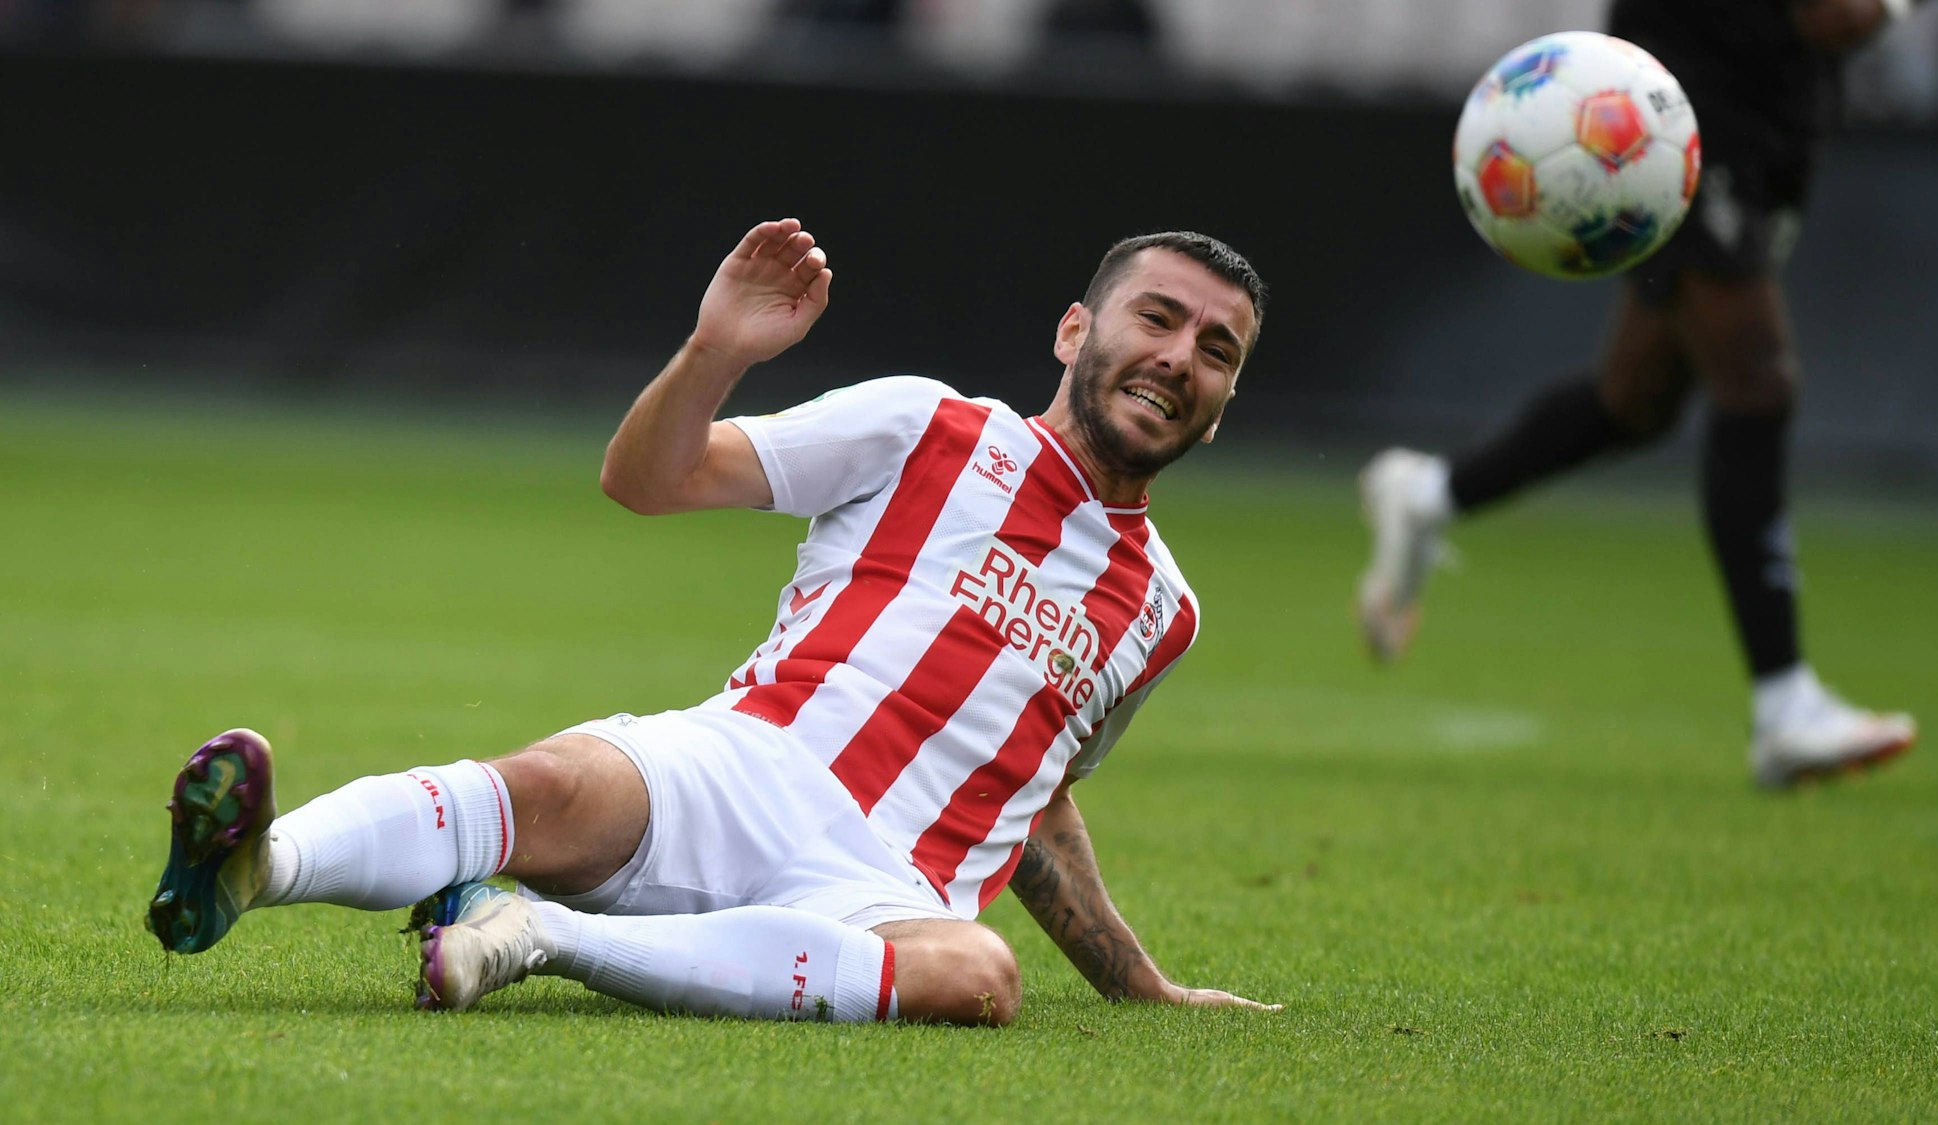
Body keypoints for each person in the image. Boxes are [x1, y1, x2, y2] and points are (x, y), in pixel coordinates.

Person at [147, 217, 1281, 1026]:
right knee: (547, 785)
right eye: (1157, 318)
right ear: (1075, 332)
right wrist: (717, 352)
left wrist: (1140, 984)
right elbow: (647, 480)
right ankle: (252, 867)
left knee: (979, 974)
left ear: (1224, 405)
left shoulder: (1163, 613)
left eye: (1215, 350)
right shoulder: (926, 426)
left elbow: (1038, 793)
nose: (1177, 358)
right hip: (746, 766)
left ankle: (533, 935)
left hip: (885, 896)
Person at [1355, 0, 1923, 790]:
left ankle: (1429, 492)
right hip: (1671, 119)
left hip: (1768, 109)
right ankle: (1785, 705)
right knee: (1758, 382)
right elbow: (1838, 16)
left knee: (1637, 400)